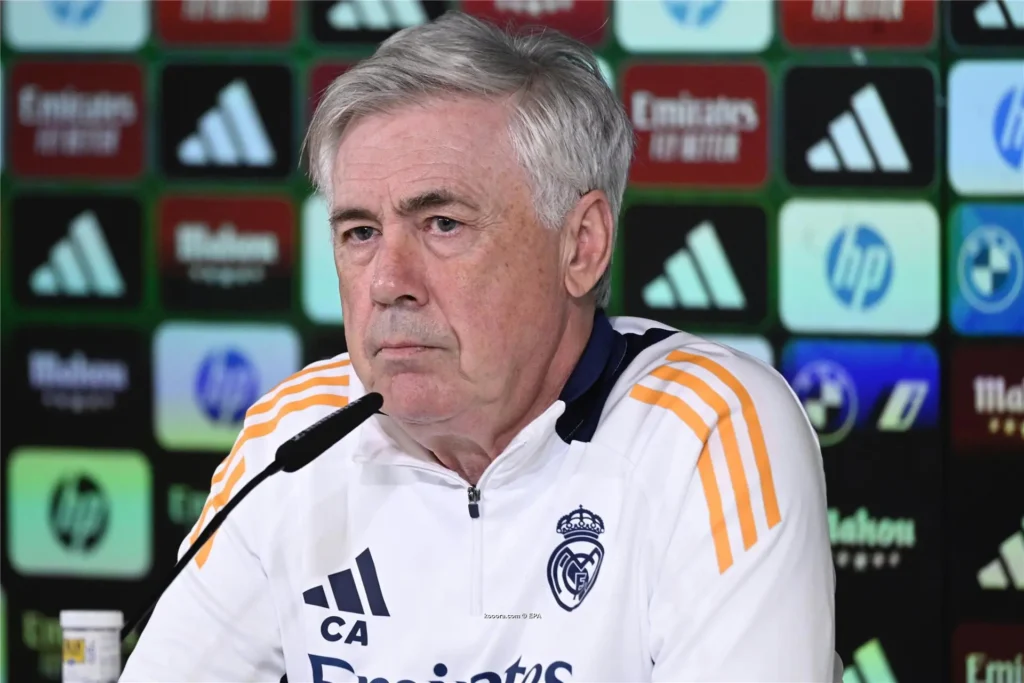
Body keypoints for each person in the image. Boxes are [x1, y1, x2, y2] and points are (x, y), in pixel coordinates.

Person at [121, 11, 839, 683]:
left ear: (581, 245)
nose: (388, 283)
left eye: (442, 224)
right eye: (360, 233)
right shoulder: (296, 438)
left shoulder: (708, 430)